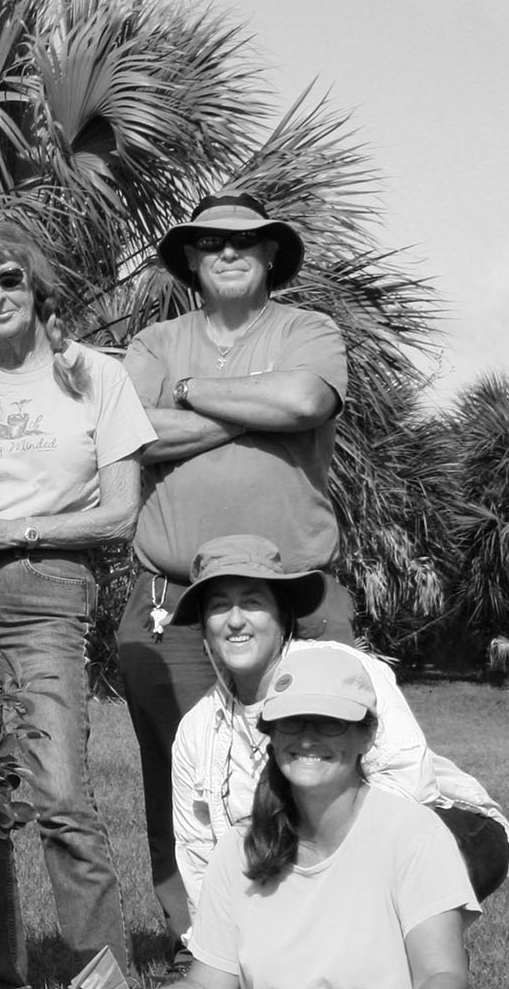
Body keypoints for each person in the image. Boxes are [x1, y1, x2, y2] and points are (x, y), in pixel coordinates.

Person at [78, 649, 485, 989]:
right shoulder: (239, 849)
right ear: (272, 735)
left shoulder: (413, 834)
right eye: (293, 722)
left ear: (365, 735)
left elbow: (445, 977)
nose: (309, 737)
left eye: (330, 722)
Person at [0, 219, 153, 983]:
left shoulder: (93, 377)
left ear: (37, 283)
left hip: (48, 587)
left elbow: (120, 512)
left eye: (9, 277)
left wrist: (10, 528)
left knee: (59, 795)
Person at [118, 191, 353, 942]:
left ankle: (319, 932)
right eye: (211, 241)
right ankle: (201, 939)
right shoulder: (156, 342)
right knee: (184, 773)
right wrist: (252, 411)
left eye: (246, 241)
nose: (227, 250)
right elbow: (129, 432)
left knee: (317, 756)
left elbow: (305, 397)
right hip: (174, 598)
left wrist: (190, 396)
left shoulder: (307, 329)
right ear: (189, 257)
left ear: (271, 256)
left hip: (298, 594)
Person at [168, 534, 509, 920]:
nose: (235, 620)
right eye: (219, 606)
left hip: (434, 829)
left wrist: (315, 877)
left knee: (371, 914)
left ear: (281, 614)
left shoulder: (343, 670)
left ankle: (423, 961)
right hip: (288, 873)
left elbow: (408, 782)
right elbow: (199, 854)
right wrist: (214, 950)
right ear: (203, 625)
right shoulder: (196, 731)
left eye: (252, 602)